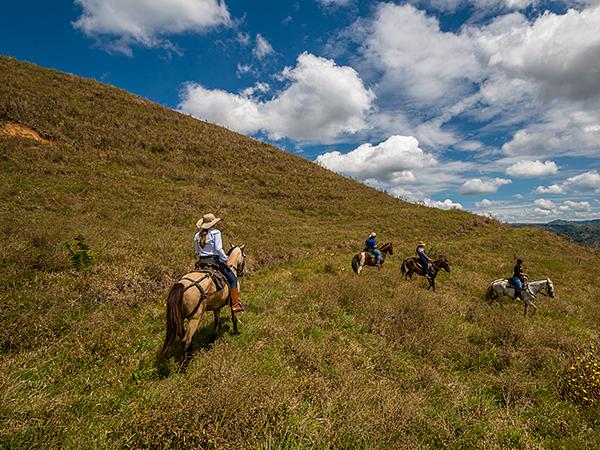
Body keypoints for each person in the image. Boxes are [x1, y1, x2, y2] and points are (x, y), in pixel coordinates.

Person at [194, 213, 243, 313]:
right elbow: (218, 249)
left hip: (201, 262)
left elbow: (197, 252)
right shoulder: (216, 232)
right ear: (213, 223)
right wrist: (226, 259)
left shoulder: (197, 235)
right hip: (214, 261)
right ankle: (235, 304)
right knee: (233, 279)